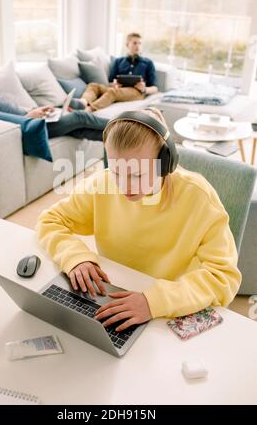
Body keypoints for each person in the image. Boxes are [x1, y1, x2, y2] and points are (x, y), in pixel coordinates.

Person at [36, 107, 241, 332]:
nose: (124, 186)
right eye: (116, 171)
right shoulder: (102, 184)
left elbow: (223, 277)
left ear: (166, 162)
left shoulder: (199, 197)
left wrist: (154, 302)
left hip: (168, 309)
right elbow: (50, 220)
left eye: (137, 174)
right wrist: (75, 258)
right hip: (111, 296)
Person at [0, 49, 109, 142]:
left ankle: (124, 142)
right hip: (25, 125)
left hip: (31, 117)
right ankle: (126, 126)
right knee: (80, 117)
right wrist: (27, 117)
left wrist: (35, 110)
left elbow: (8, 108)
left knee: (81, 130)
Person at [75, 32, 158, 112]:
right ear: (127, 44)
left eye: (140, 43)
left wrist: (144, 89)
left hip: (136, 92)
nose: (138, 46)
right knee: (93, 85)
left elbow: (155, 88)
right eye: (135, 43)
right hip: (119, 90)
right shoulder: (119, 61)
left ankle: (88, 110)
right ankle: (82, 103)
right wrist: (114, 84)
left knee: (112, 92)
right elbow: (110, 82)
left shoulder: (148, 63)